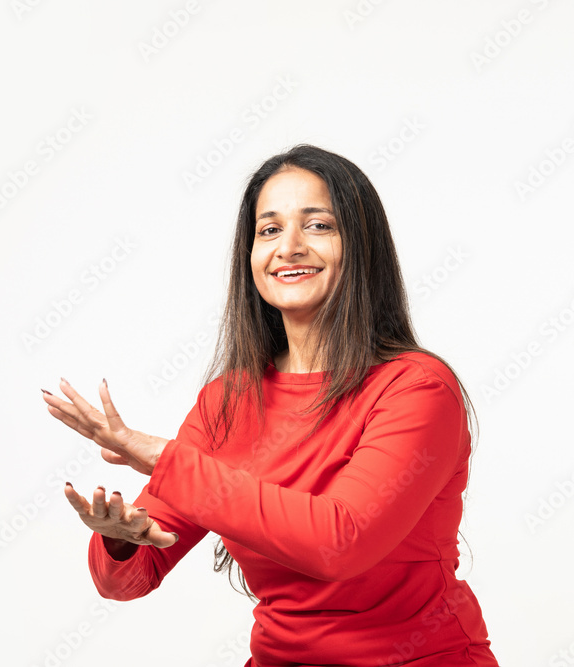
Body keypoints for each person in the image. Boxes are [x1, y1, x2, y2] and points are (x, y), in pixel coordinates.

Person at [42, 144, 499, 666]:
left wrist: (166, 459)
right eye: (270, 230)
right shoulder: (228, 401)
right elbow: (128, 580)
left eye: (319, 225)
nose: (290, 247)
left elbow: (341, 541)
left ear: (361, 246)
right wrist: (120, 540)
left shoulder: (416, 388)